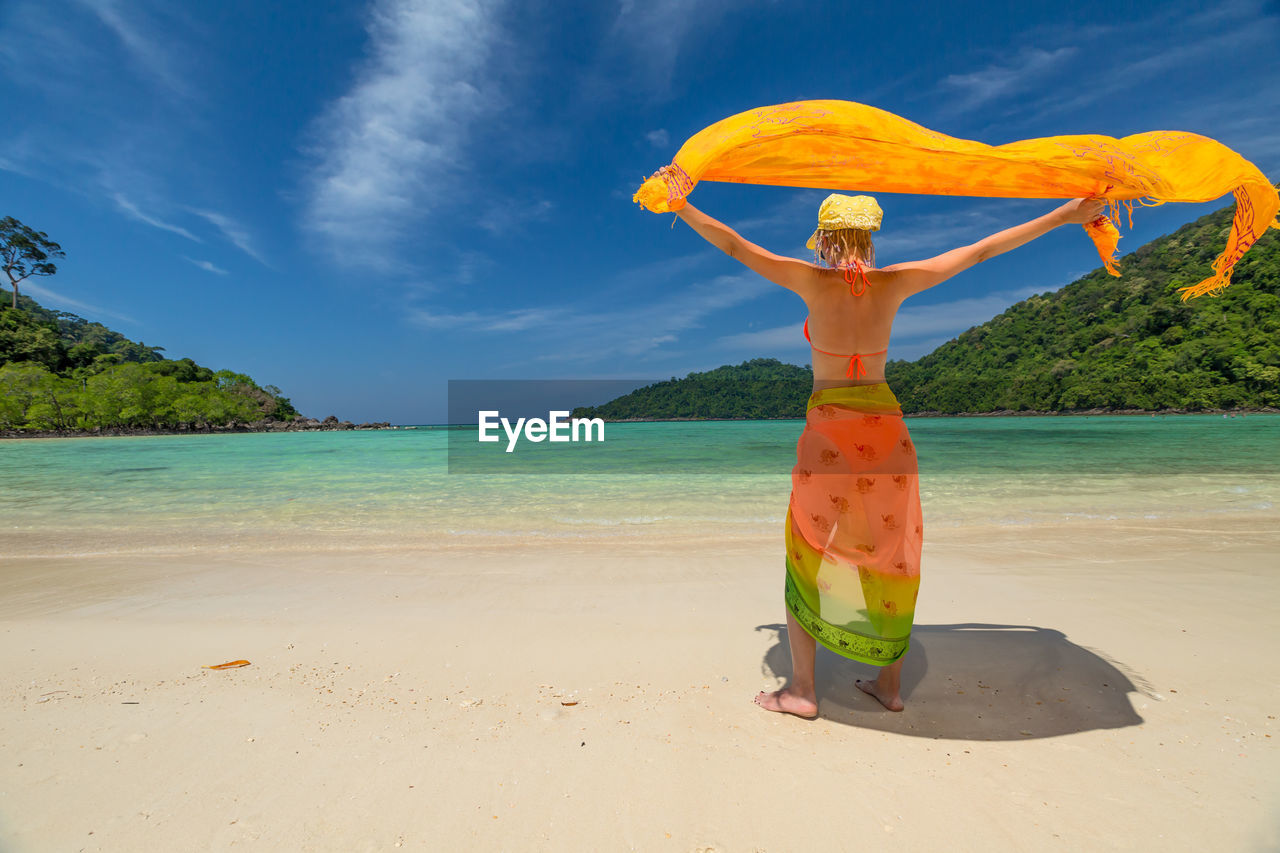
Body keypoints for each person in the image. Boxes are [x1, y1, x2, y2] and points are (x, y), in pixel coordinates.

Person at [673, 192, 1106, 719]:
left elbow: (736, 247)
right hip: (886, 432)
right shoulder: (897, 282)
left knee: (806, 550)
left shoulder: (811, 280)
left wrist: (684, 206)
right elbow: (981, 252)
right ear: (870, 236)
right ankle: (889, 686)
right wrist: (1065, 215)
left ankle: (803, 692)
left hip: (829, 431)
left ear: (826, 239)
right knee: (891, 551)